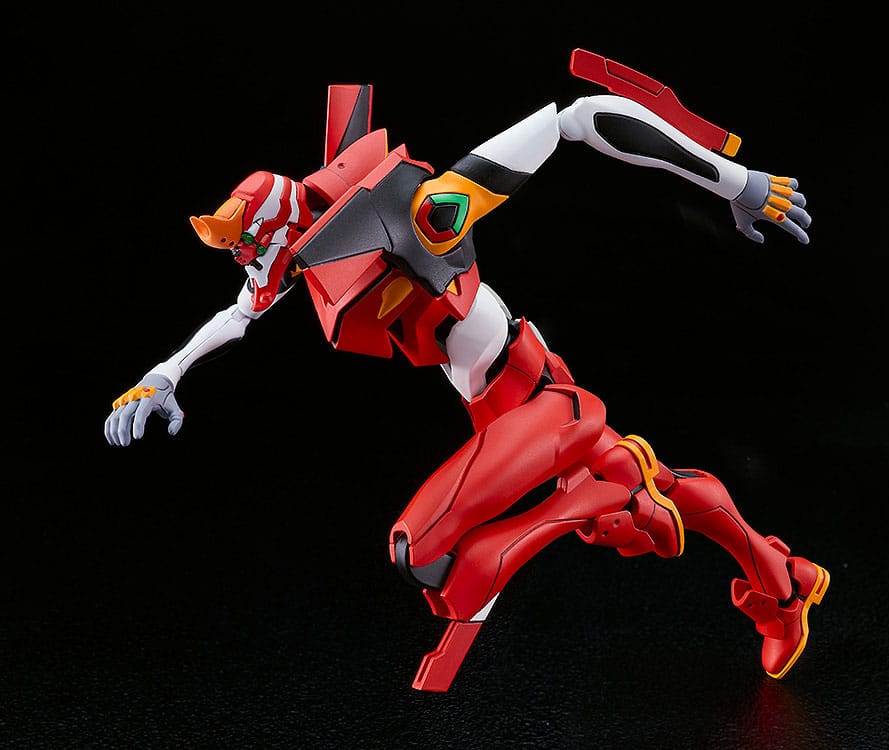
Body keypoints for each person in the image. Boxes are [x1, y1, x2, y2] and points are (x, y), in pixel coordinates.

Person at [104, 48, 828, 692]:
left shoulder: (428, 213)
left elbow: (577, 119)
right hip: (503, 408)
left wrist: (736, 181)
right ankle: (782, 578)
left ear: (284, 229)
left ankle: (594, 499)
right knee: (656, 484)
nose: (247, 263)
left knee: (420, 548)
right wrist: (164, 375)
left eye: (248, 245)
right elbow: (240, 312)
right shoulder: (310, 257)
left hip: (542, 402)